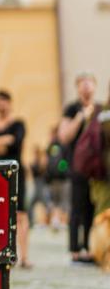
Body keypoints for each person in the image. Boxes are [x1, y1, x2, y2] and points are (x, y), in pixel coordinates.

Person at [0, 90, 30, 268]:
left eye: (3, 101)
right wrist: (5, 140)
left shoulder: (18, 124)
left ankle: (24, 257)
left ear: (9, 103)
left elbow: (16, 141)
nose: (0, 104)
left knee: (20, 214)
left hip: (15, 174)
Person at [58, 73, 100, 262]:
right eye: (82, 83)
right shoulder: (72, 109)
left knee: (93, 208)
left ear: (95, 86)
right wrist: (80, 118)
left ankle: (90, 248)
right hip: (77, 166)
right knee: (77, 207)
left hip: (96, 168)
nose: (86, 86)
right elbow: (63, 136)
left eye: (89, 82)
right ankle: (75, 250)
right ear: (77, 87)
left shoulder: (99, 109)